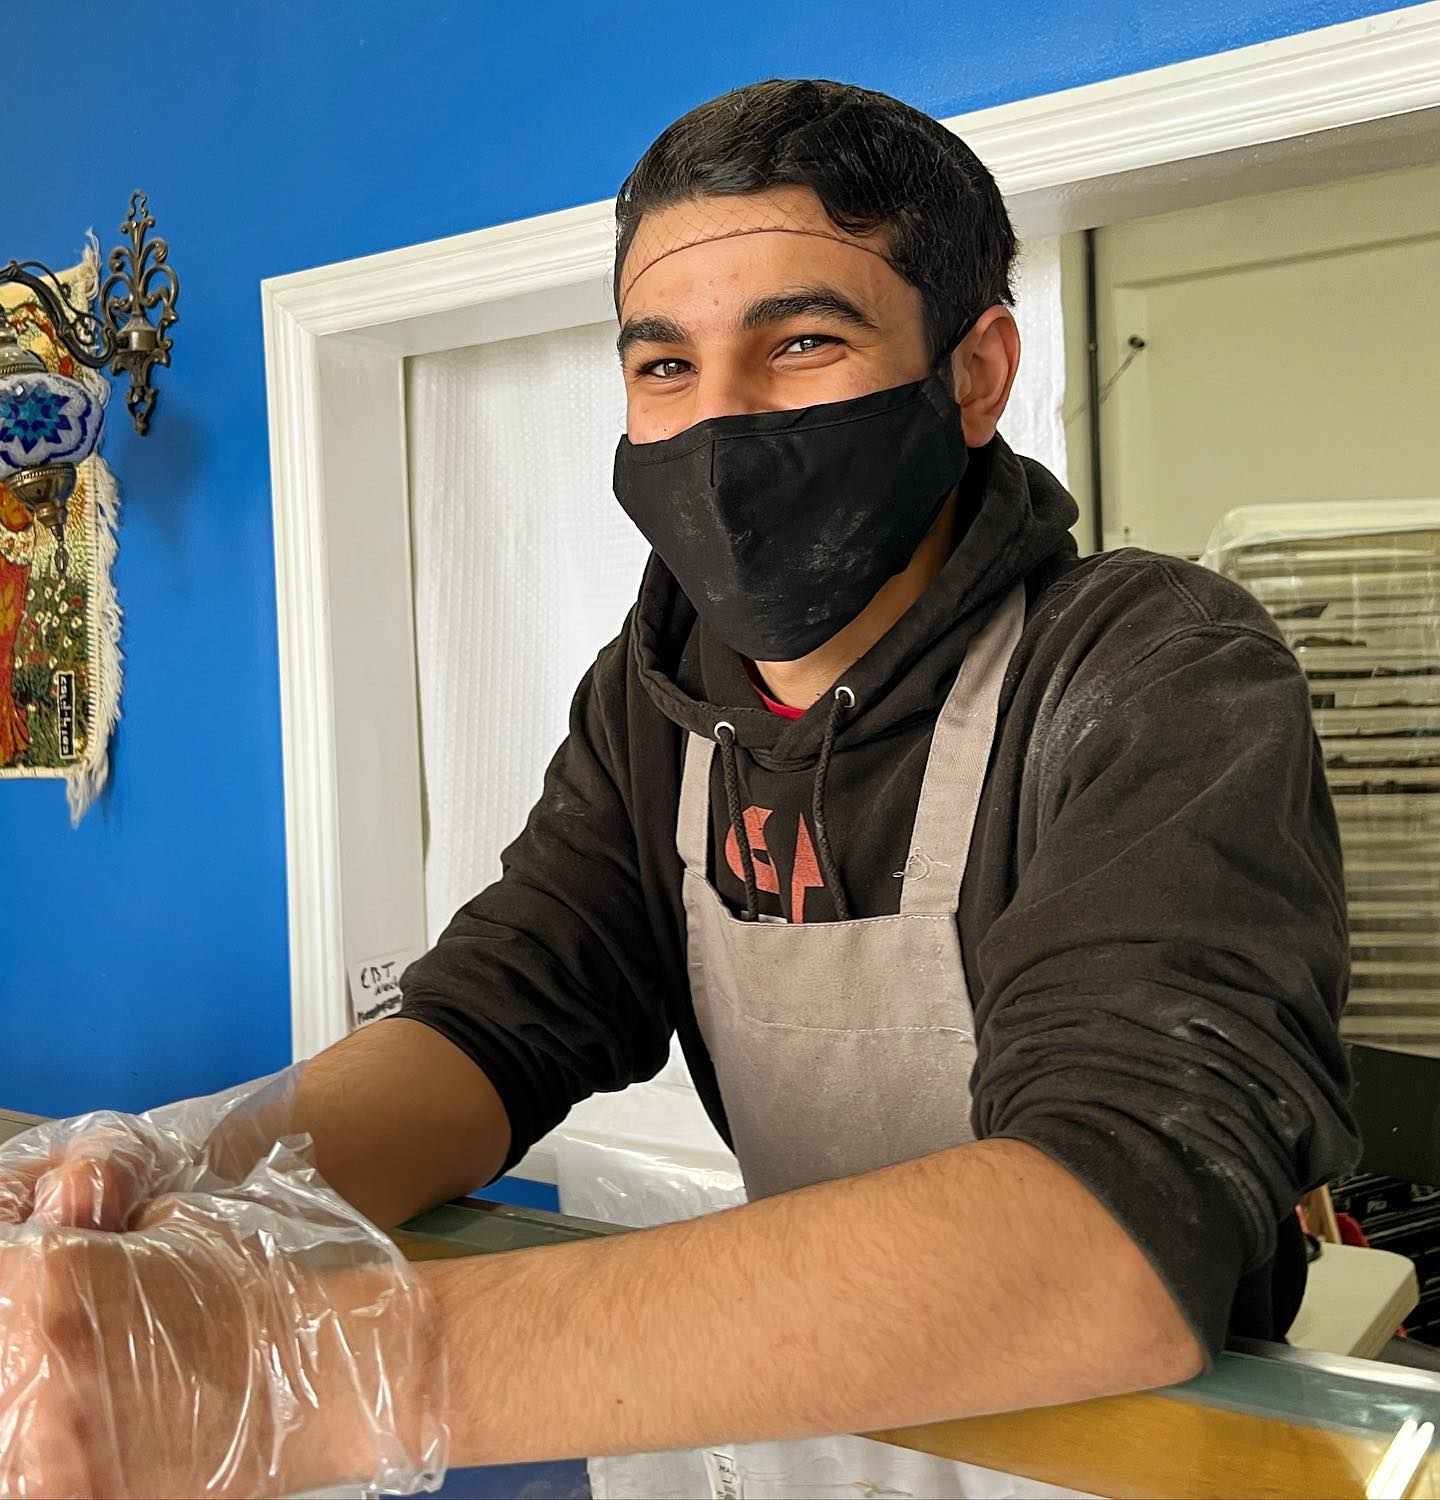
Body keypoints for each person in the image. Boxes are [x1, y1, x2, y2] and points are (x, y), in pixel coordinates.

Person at [0, 77, 1360, 1496]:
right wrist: (188, 1172)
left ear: (974, 374)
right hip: (832, 1425)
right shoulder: (660, 700)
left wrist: (328, 1373)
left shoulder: (1151, 671)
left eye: (804, 342)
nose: (719, 423)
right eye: (663, 365)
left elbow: (1120, 1233)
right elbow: (493, 1028)